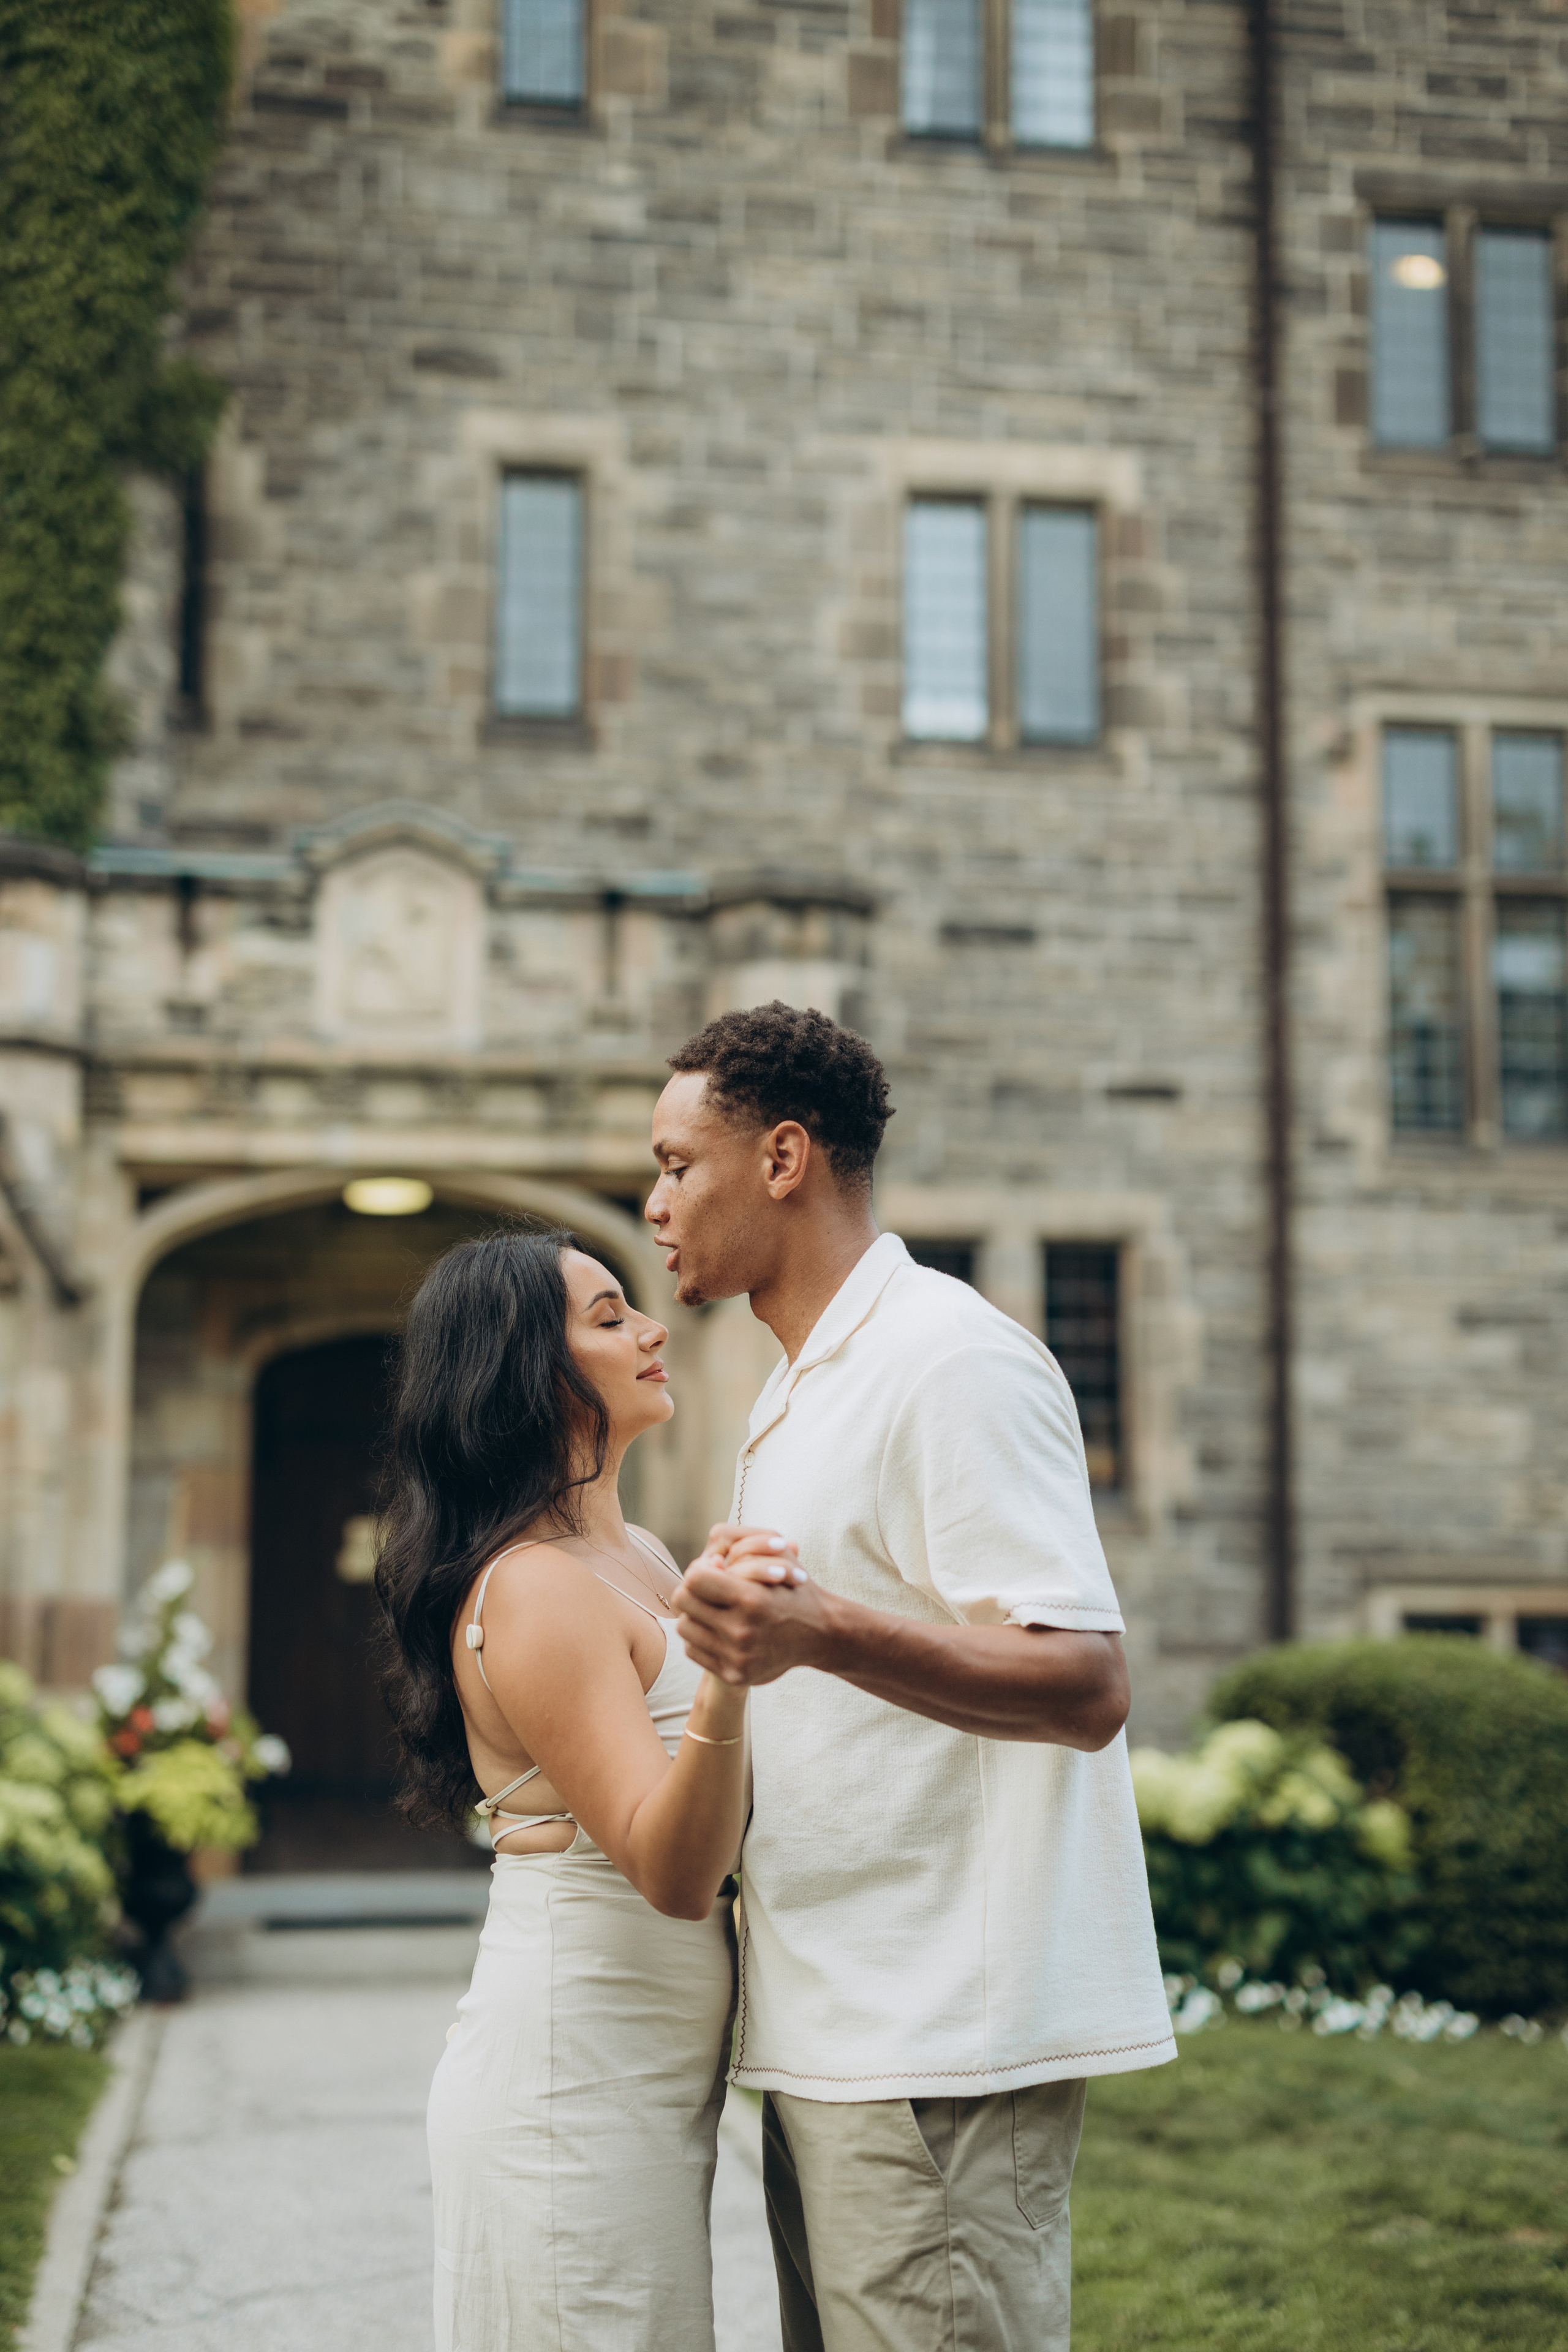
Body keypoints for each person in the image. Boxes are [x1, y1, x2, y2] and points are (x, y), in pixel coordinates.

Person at [647, 1003, 1177, 2352]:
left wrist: (818, 1630)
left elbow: (1083, 1681)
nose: (653, 1204)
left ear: (780, 1159)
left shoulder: (948, 1360)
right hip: (833, 2030)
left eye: (672, 1165)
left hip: (940, 2043)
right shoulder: (794, 1389)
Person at [373, 1229, 797, 2352]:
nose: (656, 1329)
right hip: (572, 2091)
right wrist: (732, 1675)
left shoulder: (648, 1557)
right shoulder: (535, 1589)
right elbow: (668, 1868)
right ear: (526, 1372)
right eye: (611, 1317)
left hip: (647, 2087)